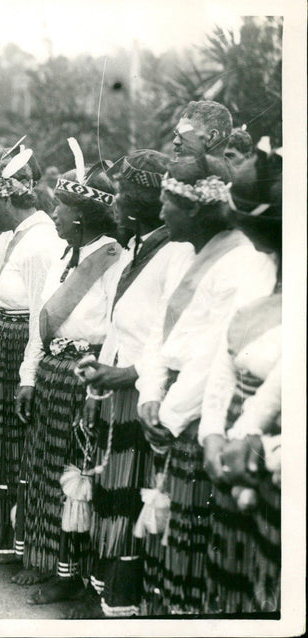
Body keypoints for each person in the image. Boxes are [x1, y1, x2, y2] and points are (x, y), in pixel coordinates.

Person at [135, 155, 276, 615]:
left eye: (167, 204)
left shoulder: (243, 262)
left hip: (197, 417)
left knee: (194, 550)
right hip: (174, 405)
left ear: (195, 207)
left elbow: (219, 352)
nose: (160, 214)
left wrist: (172, 413)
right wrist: (150, 393)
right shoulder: (182, 253)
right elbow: (161, 330)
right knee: (168, 540)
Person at [70, 150, 194, 617]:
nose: (115, 201)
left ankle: (118, 604)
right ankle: (100, 590)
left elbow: (169, 337)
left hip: (141, 393)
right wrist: (97, 383)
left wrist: (124, 376)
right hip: (115, 391)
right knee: (107, 494)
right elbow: (120, 326)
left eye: (123, 192)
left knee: (126, 501)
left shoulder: (176, 252)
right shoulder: (140, 246)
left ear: (143, 197)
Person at [15, 154, 121, 604]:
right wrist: (28, 378)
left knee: (76, 477)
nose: (53, 213)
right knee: (46, 473)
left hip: (85, 378)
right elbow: (42, 324)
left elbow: (117, 332)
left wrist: (96, 387)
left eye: (60, 207)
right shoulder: (63, 256)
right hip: (53, 377)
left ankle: (73, 576)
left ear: (81, 215)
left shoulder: (114, 260)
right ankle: (48, 562)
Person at [200, 144, 282, 614]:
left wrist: (243, 431)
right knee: (234, 585)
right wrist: (213, 430)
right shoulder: (255, 265)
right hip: (236, 440)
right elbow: (224, 357)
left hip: (274, 448)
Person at [0, 170, 65, 562]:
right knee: (0, 441)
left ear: (6, 200)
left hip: (20, 348)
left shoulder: (40, 241)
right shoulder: (19, 235)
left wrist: (29, 370)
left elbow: (41, 312)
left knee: (12, 444)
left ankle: (15, 538)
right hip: (4, 340)